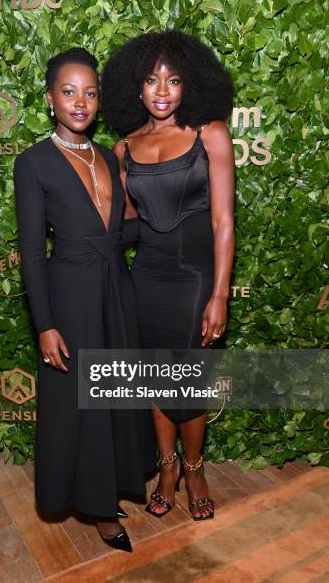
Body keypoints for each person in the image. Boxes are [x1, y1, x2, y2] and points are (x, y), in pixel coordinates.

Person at [13, 47, 156, 552]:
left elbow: (117, 233)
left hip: (115, 289)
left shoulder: (107, 156)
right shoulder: (32, 162)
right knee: (84, 405)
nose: (80, 102)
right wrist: (44, 324)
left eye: (89, 92)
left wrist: (178, 223)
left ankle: (109, 485)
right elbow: (32, 249)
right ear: (51, 100)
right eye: (69, 92)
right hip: (69, 295)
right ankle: (98, 511)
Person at [102, 31, 235, 520]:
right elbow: (132, 221)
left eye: (173, 80)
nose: (161, 90)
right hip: (148, 277)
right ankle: (167, 467)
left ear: (188, 85)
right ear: (136, 89)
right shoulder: (124, 148)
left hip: (195, 277)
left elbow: (223, 221)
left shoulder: (211, 133)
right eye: (151, 80)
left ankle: (195, 467)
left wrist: (219, 293)